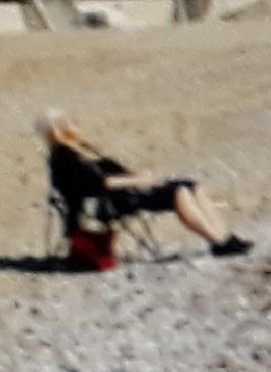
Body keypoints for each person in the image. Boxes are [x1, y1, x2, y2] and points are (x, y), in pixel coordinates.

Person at [38, 111, 251, 268]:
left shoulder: (75, 150)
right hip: (112, 204)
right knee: (179, 193)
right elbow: (103, 183)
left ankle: (223, 237)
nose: (77, 123)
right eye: (70, 122)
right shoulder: (66, 159)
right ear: (59, 131)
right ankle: (217, 241)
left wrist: (140, 178)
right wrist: (141, 181)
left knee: (192, 185)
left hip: (119, 195)